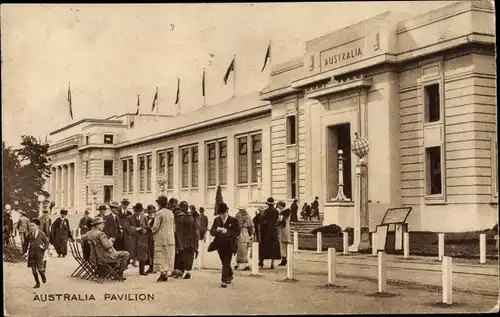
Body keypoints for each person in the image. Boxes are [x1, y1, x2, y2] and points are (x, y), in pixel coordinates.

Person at [210, 203, 241, 288]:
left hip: (229, 245)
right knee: (224, 262)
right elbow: (211, 232)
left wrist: (227, 231)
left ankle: (223, 280)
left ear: (227, 211)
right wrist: (217, 230)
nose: (223, 216)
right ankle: (230, 274)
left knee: (226, 262)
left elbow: (237, 232)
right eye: (221, 214)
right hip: (219, 245)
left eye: (224, 214)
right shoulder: (216, 220)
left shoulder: (233, 220)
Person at [151, 196, 176, 282]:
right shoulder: (171, 213)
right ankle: (165, 272)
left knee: (160, 255)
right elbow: (173, 226)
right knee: (167, 255)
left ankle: (163, 273)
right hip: (170, 237)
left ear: (159, 204)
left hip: (161, 237)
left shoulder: (159, 213)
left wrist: (151, 231)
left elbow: (155, 226)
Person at [124, 203, 151, 276]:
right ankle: (122, 270)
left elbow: (147, 227)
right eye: (137, 211)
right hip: (132, 238)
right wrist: (136, 229)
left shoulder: (144, 218)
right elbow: (126, 227)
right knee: (130, 254)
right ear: (134, 211)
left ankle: (142, 271)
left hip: (141, 239)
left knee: (142, 254)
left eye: (140, 211)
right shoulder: (129, 218)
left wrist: (144, 229)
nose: (138, 213)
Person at [175, 201, 199, 279]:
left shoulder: (179, 217)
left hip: (183, 241)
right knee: (189, 256)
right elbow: (195, 231)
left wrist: (179, 244)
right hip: (191, 241)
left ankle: (180, 272)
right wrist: (195, 244)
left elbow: (179, 231)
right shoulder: (191, 217)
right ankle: (188, 272)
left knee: (181, 256)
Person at [23, 219, 50, 288]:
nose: (31, 227)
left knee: (40, 269)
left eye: (33, 225)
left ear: (37, 226)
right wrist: (25, 252)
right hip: (31, 254)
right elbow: (25, 244)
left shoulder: (41, 234)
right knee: (34, 271)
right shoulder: (28, 234)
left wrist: (43, 247)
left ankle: (43, 276)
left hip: (39, 254)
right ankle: (37, 283)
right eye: (30, 225)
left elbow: (47, 242)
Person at [258, 197, 281, 269]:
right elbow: (278, 220)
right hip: (274, 231)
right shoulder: (276, 211)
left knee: (264, 246)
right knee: (273, 247)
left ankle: (261, 261)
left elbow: (263, 221)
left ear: (268, 204)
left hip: (266, 232)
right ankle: (272, 263)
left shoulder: (266, 211)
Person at [234, 205, 253, 271]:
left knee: (240, 250)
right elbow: (251, 226)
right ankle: (244, 264)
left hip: (239, 234)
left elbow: (234, 226)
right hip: (246, 234)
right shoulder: (247, 215)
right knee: (245, 250)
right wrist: (250, 235)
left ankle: (240, 264)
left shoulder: (237, 215)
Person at [277, 201, 291, 266]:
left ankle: (284, 259)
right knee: (286, 244)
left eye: (278, 205)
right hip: (286, 228)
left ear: (280, 205)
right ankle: (285, 258)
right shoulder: (287, 211)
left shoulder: (283, 212)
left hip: (282, 229)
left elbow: (280, 220)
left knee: (282, 244)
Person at [145, 205, 156, 274]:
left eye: (152, 212)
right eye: (149, 212)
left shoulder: (155, 219)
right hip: (147, 237)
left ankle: (152, 267)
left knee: (152, 253)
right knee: (149, 252)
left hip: (153, 237)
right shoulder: (147, 219)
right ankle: (151, 266)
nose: (151, 214)